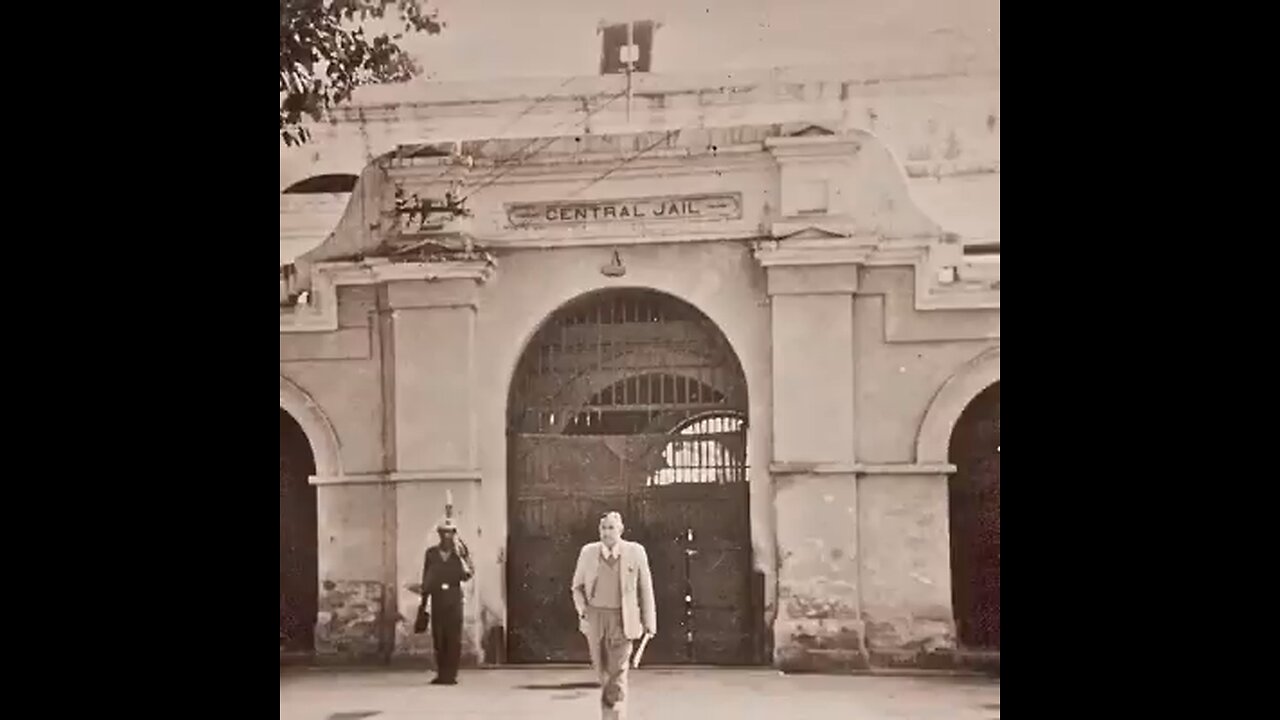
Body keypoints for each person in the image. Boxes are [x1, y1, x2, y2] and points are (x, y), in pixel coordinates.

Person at [571, 511, 657, 720]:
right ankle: (609, 715)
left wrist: (649, 621)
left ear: (620, 530)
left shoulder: (635, 552)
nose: (606, 532)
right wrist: (583, 611)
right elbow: (576, 587)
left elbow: (645, 588)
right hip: (595, 620)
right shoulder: (588, 552)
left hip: (622, 619)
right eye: (603, 528)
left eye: (611, 528)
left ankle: (614, 717)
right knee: (604, 676)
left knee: (617, 675)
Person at [417, 517, 473, 685]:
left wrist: (461, 554)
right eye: (443, 533)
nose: (446, 536)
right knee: (439, 637)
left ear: (454, 534)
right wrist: (424, 602)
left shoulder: (460, 553)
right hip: (437, 597)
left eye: (450, 533)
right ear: (439, 534)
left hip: (454, 598)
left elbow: (468, 574)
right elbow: (426, 577)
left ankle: (451, 675)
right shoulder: (431, 553)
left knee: (453, 637)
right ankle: (442, 673)